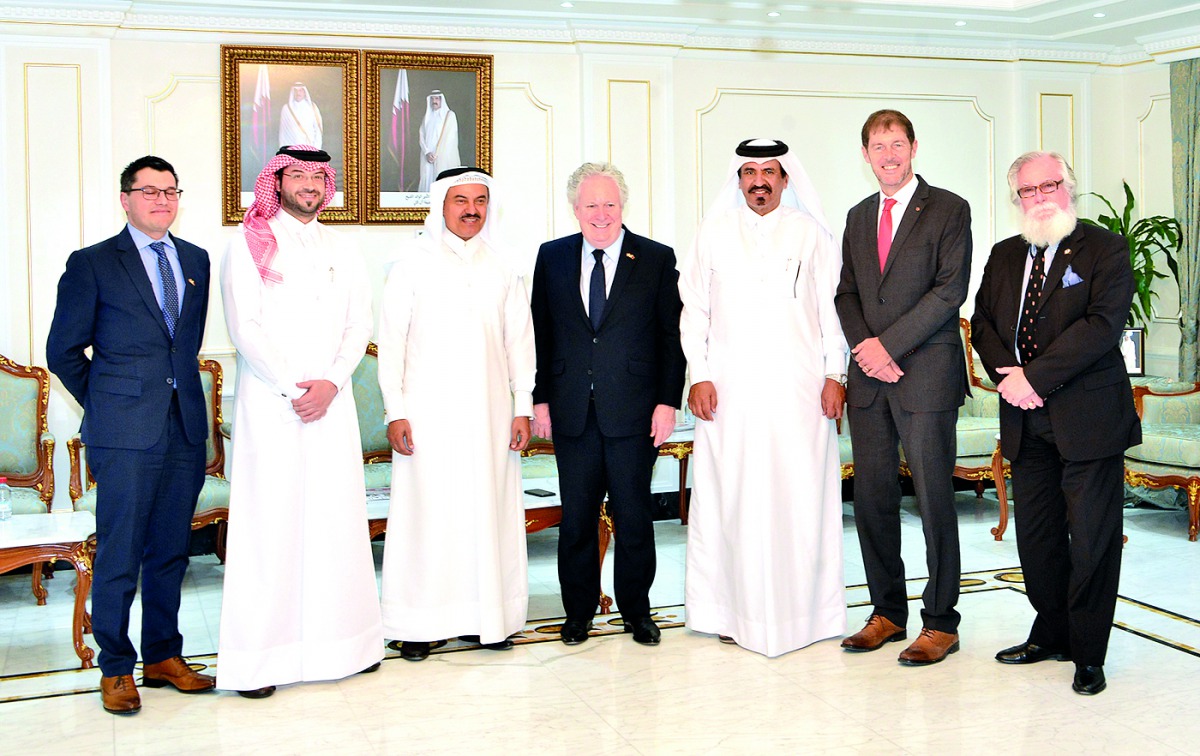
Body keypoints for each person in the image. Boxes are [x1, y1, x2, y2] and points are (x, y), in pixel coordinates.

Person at [46, 155, 215, 714]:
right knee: (120, 551)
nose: (161, 201)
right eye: (149, 192)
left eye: (170, 191)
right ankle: (115, 667)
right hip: (124, 432)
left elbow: (182, 347)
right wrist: (107, 398)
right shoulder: (93, 263)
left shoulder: (196, 259)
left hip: (186, 425)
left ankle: (163, 655)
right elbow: (62, 351)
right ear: (126, 199)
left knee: (171, 550)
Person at [971, 151, 1140, 696]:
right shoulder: (1002, 256)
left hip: (1087, 418)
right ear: (1016, 198)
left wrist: (1033, 378)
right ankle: (1051, 632)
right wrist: (1009, 379)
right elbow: (983, 326)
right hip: (1025, 420)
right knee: (1037, 538)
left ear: (1070, 187)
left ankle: (1088, 653)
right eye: (1028, 190)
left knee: (1092, 540)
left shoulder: (1104, 248)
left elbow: (1101, 326)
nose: (1040, 197)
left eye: (1050, 185)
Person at [217, 145, 383, 699]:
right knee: (271, 530)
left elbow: (360, 323)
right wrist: (294, 388)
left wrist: (333, 382)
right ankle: (261, 663)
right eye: (298, 175)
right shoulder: (248, 242)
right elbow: (247, 327)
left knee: (335, 523)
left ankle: (346, 648)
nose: (309, 185)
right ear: (277, 180)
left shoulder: (343, 246)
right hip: (273, 408)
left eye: (319, 176)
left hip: (331, 408)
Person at [679, 139, 848, 657]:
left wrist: (835, 374)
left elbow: (832, 312)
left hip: (800, 395)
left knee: (799, 500)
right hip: (728, 397)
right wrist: (698, 375)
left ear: (785, 179)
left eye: (769, 172)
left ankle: (808, 614)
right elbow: (694, 313)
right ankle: (729, 610)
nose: (759, 181)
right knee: (734, 501)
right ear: (738, 180)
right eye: (749, 172)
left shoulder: (810, 235)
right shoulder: (714, 233)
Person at [377, 167, 536, 661]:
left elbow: (520, 344)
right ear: (441, 205)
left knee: (487, 515)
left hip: (492, 416)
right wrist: (394, 412)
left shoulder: (504, 266)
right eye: (460, 200)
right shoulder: (410, 264)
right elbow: (392, 345)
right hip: (427, 417)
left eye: (480, 200)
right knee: (429, 517)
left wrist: (523, 406)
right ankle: (419, 626)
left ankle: (486, 618)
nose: (471, 209)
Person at [835, 109, 972, 665]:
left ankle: (941, 622)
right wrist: (867, 348)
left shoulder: (948, 208)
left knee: (935, 498)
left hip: (926, 377)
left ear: (913, 147)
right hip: (869, 383)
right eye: (877, 146)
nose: (888, 155)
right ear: (865, 154)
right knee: (872, 500)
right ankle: (887, 612)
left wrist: (887, 346)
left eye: (897, 144)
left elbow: (949, 291)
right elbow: (846, 294)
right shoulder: (857, 215)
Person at [530, 162, 686, 646]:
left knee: (635, 515)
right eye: (592, 205)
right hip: (572, 408)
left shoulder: (656, 259)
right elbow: (539, 333)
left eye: (610, 204)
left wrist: (666, 402)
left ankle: (637, 612)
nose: (602, 214)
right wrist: (539, 400)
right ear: (575, 209)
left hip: (635, 413)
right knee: (576, 518)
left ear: (623, 207)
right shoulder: (551, 257)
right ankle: (577, 613)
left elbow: (670, 337)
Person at [418, 91, 461, 193]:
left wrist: (437, 155)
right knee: (427, 181)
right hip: (427, 157)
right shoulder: (427, 117)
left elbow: (450, 139)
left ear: (442, 100)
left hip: (442, 157)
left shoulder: (449, 116)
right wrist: (427, 152)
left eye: (437, 99)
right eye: (432, 99)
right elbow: (421, 136)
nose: (434, 101)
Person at [279, 83, 323, 149]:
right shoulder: (286, 109)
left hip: (309, 148)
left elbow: (318, 129)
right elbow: (283, 132)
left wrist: (316, 148)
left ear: (305, 92)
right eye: (296, 90)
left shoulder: (312, 107)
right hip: (292, 148)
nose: (298, 93)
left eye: (300, 90)